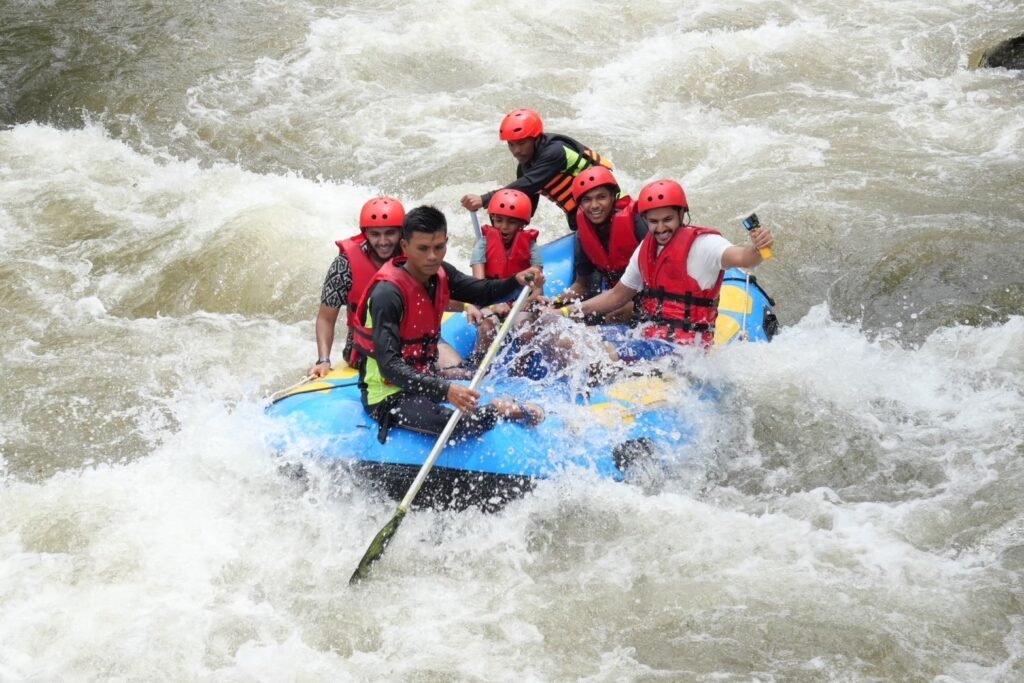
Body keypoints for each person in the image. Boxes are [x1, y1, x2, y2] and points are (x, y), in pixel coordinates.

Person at [351, 205, 546, 444]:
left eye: (438, 247)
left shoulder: (441, 273)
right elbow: (389, 366)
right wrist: (445, 391)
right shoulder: (387, 294)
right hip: (388, 393)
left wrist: (515, 281)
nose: (432, 257)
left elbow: (482, 292)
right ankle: (498, 408)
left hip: (424, 379)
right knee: (462, 426)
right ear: (404, 246)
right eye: (423, 249)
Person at [549, 179, 774, 362]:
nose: (661, 228)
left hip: (683, 349)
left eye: (667, 220)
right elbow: (617, 295)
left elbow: (744, 258)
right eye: (654, 221)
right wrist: (565, 312)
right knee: (566, 340)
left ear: (681, 215)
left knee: (597, 355)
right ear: (644, 220)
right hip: (647, 335)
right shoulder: (646, 249)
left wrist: (757, 248)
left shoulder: (705, 244)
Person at [308, 196, 461, 378]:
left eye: (390, 233)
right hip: (368, 348)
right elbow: (326, 318)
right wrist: (323, 360)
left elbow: (437, 298)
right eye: (375, 234)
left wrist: (469, 305)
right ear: (366, 233)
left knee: (457, 372)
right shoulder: (344, 266)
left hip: (417, 341)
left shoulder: (417, 255)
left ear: (402, 234)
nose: (383, 241)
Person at [460, 108, 612, 231]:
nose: (516, 150)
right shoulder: (525, 167)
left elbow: (530, 183)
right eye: (511, 144)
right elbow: (526, 209)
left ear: (536, 138)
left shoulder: (555, 151)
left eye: (522, 143)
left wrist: (485, 199)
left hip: (609, 208)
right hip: (583, 215)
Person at [550, 166, 647, 324]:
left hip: (647, 296)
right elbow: (581, 285)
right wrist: (555, 304)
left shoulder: (637, 223)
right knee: (578, 317)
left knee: (614, 315)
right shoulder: (583, 235)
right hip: (616, 294)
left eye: (601, 197)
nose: (594, 206)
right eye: (587, 200)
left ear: (613, 197)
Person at [463, 189, 543, 358]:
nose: (504, 227)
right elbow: (479, 286)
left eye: (511, 222)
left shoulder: (530, 246)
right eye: (498, 220)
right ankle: (479, 363)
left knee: (526, 331)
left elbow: (537, 288)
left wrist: (526, 302)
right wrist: (494, 305)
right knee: (486, 328)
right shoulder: (482, 245)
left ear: (522, 223)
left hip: (521, 301)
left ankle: (521, 371)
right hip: (490, 300)